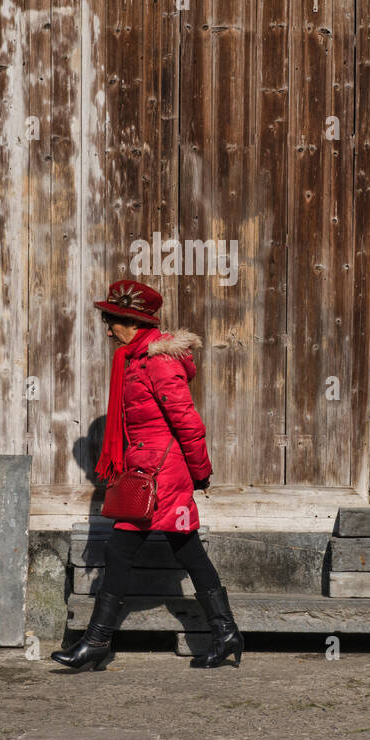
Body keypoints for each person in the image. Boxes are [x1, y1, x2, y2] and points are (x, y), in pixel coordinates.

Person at [52, 279, 243, 671]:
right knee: (186, 548)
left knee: (121, 550)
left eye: (111, 321)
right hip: (145, 470)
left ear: (131, 320)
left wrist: (200, 472)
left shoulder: (157, 362)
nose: (107, 329)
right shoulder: (133, 360)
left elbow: (187, 423)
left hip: (161, 474)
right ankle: (225, 634)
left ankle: (97, 641)